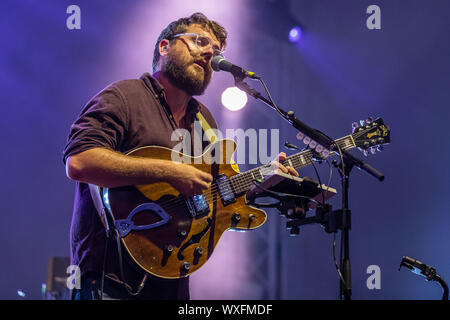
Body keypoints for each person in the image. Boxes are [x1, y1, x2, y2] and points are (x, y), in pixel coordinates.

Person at [63, 12, 298, 300]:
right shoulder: (124, 97)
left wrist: (264, 180)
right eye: (199, 41)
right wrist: (171, 171)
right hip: (109, 279)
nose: (209, 53)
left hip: (173, 280)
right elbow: (80, 162)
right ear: (164, 47)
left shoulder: (204, 120)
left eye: (216, 51)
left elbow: (213, 194)